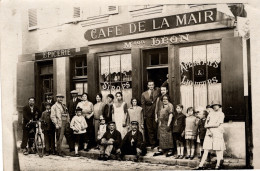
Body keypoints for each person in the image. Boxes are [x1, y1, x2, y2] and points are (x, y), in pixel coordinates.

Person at [197, 101, 226, 170]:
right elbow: (205, 124)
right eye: (213, 105)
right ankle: (200, 165)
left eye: (216, 105)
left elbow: (217, 124)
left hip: (217, 132)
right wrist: (209, 128)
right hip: (209, 132)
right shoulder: (210, 114)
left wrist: (208, 126)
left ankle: (218, 165)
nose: (215, 107)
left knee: (218, 149)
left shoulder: (221, 114)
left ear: (219, 106)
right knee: (206, 149)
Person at [141, 80, 160, 149]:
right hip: (148, 113)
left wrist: (167, 80)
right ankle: (152, 143)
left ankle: (157, 142)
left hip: (155, 112)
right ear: (147, 86)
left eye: (152, 85)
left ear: (154, 85)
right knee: (149, 129)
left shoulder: (157, 91)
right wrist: (144, 115)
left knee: (155, 128)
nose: (151, 86)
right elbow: (143, 105)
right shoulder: (144, 94)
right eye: (150, 85)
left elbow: (163, 87)